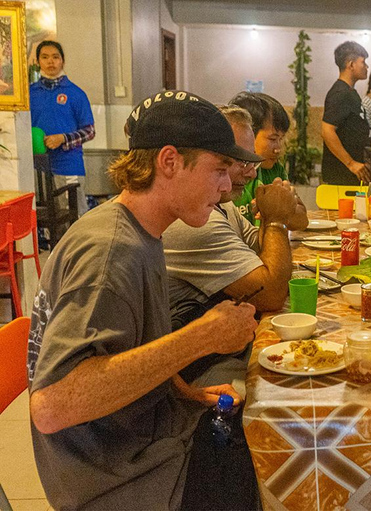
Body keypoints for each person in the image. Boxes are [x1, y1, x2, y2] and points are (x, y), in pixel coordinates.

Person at [26, 91, 264, 510]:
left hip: (141, 440)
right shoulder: (112, 252)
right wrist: (200, 338)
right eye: (219, 170)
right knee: (270, 471)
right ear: (169, 161)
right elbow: (51, 406)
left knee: (256, 431)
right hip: (117, 478)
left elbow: (124, 348)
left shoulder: (141, 228)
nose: (228, 187)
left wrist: (183, 392)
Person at [163, 104, 295, 344]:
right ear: (172, 162)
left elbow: (259, 251)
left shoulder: (220, 205)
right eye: (237, 162)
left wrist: (270, 212)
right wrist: (275, 220)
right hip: (203, 365)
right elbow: (272, 295)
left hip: (212, 348)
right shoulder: (197, 222)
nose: (253, 174)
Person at [29, 40, 95, 216]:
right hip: (36, 168)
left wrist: (63, 138)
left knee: (74, 217)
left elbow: (90, 131)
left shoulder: (76, 93)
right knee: (45, 219)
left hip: (68, 166)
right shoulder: (29, 94)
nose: (50, 62)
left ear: (62, 61)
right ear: (37, 62)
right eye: (45, 57)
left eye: (55, 57)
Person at [228, 91, 309, 230]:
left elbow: (301, 221)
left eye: (281, 139)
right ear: (247, 134)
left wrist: (276, 213)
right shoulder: (229, 174)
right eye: (272, 139)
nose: (279, 148)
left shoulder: (274, 169)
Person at [321, 41, 371, 184]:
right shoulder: (340, 93)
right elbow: (327, 131)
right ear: (351, 64)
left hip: (351, 175)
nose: (367, 67)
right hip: (340, 175)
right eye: (363, 62)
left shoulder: (350, 92)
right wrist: (351, 163)